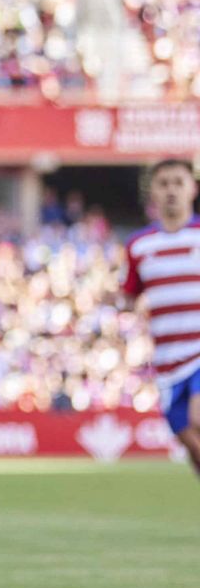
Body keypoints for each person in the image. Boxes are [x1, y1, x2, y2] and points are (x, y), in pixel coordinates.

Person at [121, 158, 200, 479]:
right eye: (163, 183)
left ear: (192, 189)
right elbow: (128, 295)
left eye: (178, 183)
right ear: (152, 191)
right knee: (191, 444)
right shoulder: (139, 245)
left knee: (198, 419)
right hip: (167, 362)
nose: (171, 190)